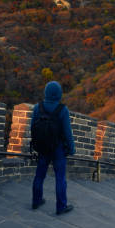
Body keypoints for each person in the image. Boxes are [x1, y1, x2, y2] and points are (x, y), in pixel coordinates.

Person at [31, 81, 75, 214]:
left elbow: (33, 128)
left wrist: (36, 144)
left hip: (43, 147)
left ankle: (36, 201)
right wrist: (71, 148)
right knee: (60, 178)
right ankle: (61, 206)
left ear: (46, 92)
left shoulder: (37, 107)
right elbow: (68, 132)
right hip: (58, 149)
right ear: (59, 94)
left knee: (39, 175)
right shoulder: (63, 110)